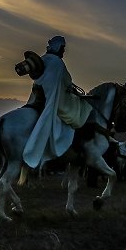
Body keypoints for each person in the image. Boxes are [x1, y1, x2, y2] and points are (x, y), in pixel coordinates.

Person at [22, 35, 93, 169]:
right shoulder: (57, 63)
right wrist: (72, 89)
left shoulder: (43, 59)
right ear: (59, 47)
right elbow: (65, 82)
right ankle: (76, 143)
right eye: (63, 48)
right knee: (82, 109)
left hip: (39, 96)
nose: (64, 51)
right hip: (55, 99)